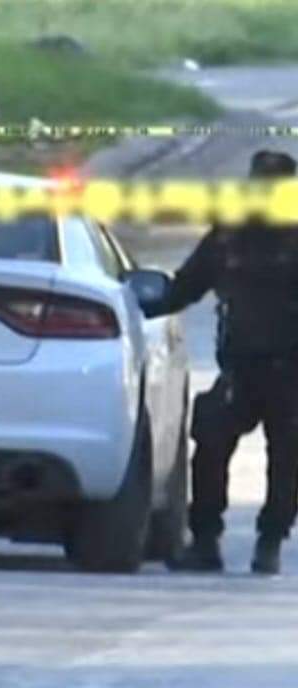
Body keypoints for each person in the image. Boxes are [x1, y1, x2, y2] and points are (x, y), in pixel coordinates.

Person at [145, 149, 298, 575]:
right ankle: (206, 540)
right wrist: (140, 303)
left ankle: (270, 541)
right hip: (240, 368)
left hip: (291, 368)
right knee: (210, 445)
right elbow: (187, 286)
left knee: (286, 458)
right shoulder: (229, 235)